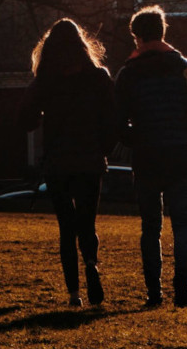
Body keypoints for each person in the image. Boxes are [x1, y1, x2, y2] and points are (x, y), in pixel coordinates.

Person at [114, 5, 187, 308]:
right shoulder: (185, 68)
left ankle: (153, 293)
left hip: (147, 158)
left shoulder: (129, 73)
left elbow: (116, 120)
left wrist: (136, 139)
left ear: (137, 37)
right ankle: (181, 287)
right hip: (180, 155)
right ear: (163, 31)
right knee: (183, 223)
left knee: (150, 227)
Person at [20, 18, 119, 307]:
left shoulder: (45, 82)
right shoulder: (98, 77)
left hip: (58, 162)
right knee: (87, 223)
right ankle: (91, 262)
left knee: (66, 227)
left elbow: (23, 118)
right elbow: (112, 119)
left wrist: (41, 116)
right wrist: (103, 148)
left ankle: (74, 294)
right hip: (90, 160)